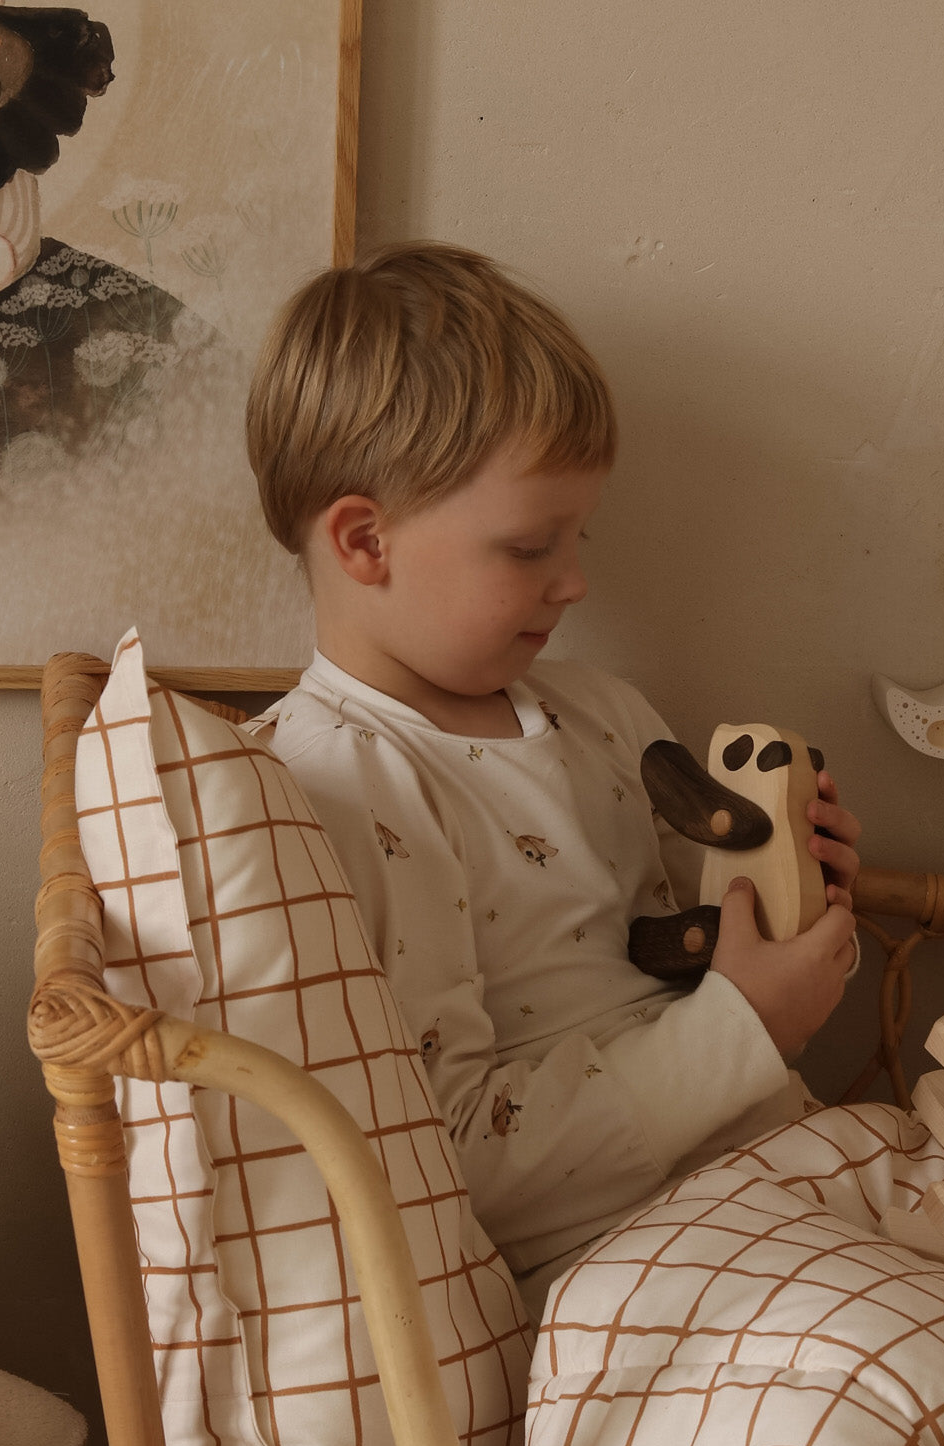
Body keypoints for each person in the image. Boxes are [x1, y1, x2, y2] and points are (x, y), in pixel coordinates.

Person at [245, 241, 860, 1311]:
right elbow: (458, 1162)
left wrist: (797, 890)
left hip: (788, 1180)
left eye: (580, 536)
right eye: (530, 546)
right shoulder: (338, 783)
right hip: (634, 1269)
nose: (574, 581)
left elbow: (709, 946)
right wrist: (746, 1028)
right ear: (363, 540)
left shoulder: (601, 711)